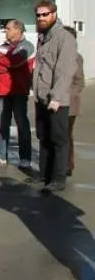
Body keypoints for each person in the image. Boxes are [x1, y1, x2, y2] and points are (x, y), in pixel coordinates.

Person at [31, 0, 77, 192]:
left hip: (56, 100)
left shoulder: (64, 38)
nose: (41, 18)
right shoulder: (43, 37)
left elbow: (65, 71)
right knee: (44, 138)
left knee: (58, 140)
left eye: (45, 14)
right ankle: (45, 174)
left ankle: (58, 179)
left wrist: (56, 97)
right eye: (38, 15)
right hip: (41, 98)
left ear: (54, 14)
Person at [0, 19, 34, 167]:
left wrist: (0, 59)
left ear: (18, 30)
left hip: (18, 90)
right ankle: (1, 155)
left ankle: (25, 157)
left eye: (8, 28)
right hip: (3, 90)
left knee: (21, 123)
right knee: (3, 124)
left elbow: (14, 63)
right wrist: (2, 62)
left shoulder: (27, 46)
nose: (5, 31)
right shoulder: (3, 46)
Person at [64, 26, 84, 177]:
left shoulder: (76, 57)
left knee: (66, 134)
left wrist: (67, 95)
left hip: (69, 103)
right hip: (57, 101)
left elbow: (79, 82)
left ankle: (68, 164)